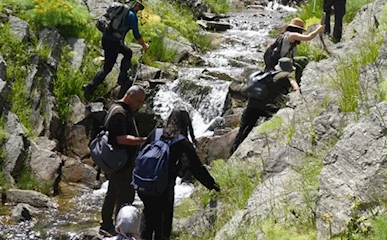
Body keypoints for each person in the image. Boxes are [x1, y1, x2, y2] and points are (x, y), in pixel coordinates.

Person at [138, 109, 220, 240]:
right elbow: (197, 168)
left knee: (148, 215)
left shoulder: (156, 132)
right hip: (164, 187)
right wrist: (213, 186)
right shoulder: (182, 141)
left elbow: (141, 151)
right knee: (164, 222)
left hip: (144, 183)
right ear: (186, 123)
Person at [100, 86, 148, 236]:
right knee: (125, 196)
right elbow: (120, 138)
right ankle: (121, 230)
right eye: (138, 101)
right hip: (121, 163)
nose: (139, 105)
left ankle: (107, 225)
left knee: (112, 192)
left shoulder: (116, 108)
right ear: (130, 96)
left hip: (115, 162)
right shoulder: (119, 113)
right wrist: (143, 141)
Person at [84, 0, 150, 99]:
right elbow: (136, 34)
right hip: (113, 43)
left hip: (107, 39)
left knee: (128, 53)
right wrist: (144, 45)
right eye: (138, 7)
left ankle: (123, 78)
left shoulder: (118, 9)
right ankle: (89, 87)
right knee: (107, 68)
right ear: (135, 5)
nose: (138, 10)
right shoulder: (132, 15)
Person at [230, 58, 299, 155]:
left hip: (251, 106)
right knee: (280, 119)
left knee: (241, 134)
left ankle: (231, 155)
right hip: (266, 108)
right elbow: (295, 87)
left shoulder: (268, 74)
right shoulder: (287, 75)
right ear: (289, 69)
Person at [264, 18, 323, 85]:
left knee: (303, 60)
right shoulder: (292, 35)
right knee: (301, 63)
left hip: (281, 59)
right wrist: (318, 29)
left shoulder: (284, 34)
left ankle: (298, 81)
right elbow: (308, 37)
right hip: (283, 62)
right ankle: (297, 83)